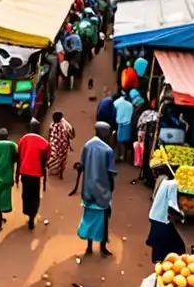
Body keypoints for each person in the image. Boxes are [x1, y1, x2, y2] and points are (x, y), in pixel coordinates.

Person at [76, 121, 117, 257]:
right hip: (102, 192)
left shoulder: (87, 145)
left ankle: (89, 247)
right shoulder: (108, 150)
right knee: (103, 221)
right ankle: (103, 247)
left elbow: (81, 165)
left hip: (88, 190)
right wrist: (112, 187)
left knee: (89, 217)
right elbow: (111, 172)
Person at [16, 118, 49, 230]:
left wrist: (16, 176)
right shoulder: (44, 142)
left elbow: (19, 157)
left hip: (24, 173)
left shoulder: (23, 139)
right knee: (35, 196)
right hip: (36, 174)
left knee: (26, 194)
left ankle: (27, 212)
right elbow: (46, 159)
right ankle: (32, 216)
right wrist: (44, 178)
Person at [146, 178, 186, 263]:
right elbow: (172, 206)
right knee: (165, 247)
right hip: (161, 221)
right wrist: (182, 217)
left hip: (158, 218)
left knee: (162, 246)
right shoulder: (172, 187)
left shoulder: (166, 185)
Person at [47, 111, 75, 179]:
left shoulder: (52, 125)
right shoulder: (65, 126)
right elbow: (72, 134)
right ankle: (59, 171)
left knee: (53, 158)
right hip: (62, 146)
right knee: (61, 159)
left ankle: (54, 170)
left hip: (55, 145)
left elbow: (49, 136)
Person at [113, 90, 135, 162]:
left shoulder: (116, 103)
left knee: (118, 141)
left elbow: (114, 113)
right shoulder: (130, 105)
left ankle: (118, 155)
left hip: (119, 124)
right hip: (128, 124)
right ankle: (123, 155)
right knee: (125, 141)